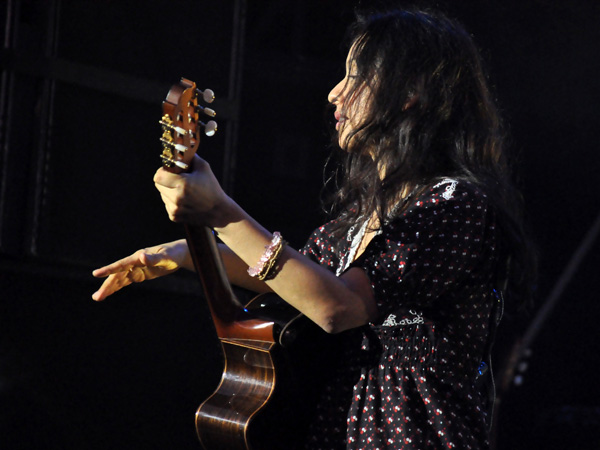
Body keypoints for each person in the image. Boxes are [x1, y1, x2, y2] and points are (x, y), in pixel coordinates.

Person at [92, 7, 535, 450]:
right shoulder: (356, 220)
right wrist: (183, 254)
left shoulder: (454, 206)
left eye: (356, 77)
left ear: (411, 92)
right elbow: (297, 281)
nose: (334, 94)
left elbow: (335, 306)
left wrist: (221, 212)